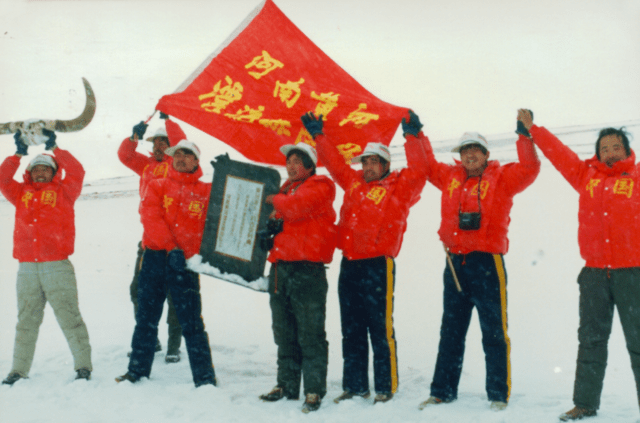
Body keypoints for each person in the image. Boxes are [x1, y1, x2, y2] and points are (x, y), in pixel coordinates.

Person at [409, 110, 540, 411]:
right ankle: (441, 391)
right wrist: (416, 135)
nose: (469, 155)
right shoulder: (449, 177)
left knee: (493, 330)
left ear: (485, 154)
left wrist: (524, 134)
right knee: (451, 331)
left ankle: (497, 394)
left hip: (487, 264)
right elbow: (427, 165)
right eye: (464, 150)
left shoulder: (503, 178)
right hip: (455, 264)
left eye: (475, 150)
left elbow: (530, 168)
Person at [518, 109, 640, 421]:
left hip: (633, 274)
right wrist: (534, 130)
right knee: (590, 341)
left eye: (616, 146)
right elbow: (559, 154)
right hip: (595, 275)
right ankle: (585, 403)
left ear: (627, 150)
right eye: (604, 148)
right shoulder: (587, 176)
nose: (610, 152)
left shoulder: (637, 178)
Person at [300, 111, 429, 404]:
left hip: (378, 265)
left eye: (374, 162)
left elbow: (420, 169)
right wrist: (318, 135)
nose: (368, 167)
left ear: (385, 165)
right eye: (366, 162)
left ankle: (385, 386)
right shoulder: (354, 183)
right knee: (352, 327)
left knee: (379, 328)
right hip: (350, 264)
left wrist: (412, 135)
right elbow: (334, 163)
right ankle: (355, 385)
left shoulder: (401, 187)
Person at [115, 138, 216, 387]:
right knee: (146, 318)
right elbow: (150, 217)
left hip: (186, 264)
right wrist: (171, 248)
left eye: (187, 154)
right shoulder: (157, 185)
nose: (180, 158)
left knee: (192, 322)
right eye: (177, 154)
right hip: (155, 258)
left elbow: (222, 219)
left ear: (196, 161)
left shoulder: (206, 191)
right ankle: (136, 371)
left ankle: (205, 379)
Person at [0, 129, 92, 384]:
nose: (41, 171)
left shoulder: (65, 192)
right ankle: (18, 370)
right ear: (29, 173)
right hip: (27, 268)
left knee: (70, 318)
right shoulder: (20, 194)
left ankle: (83, 367)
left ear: (54, 172)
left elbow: (77, 171)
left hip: (57, 266)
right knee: (26, 321)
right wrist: (18, 153)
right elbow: (3, 177)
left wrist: (56, 148)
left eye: (46, 168)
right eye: (36, 168)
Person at [258, 143, 337, 413]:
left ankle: (314, 389)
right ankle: (286, 385)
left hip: (307, 271)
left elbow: (297, 208)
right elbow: (284, 218)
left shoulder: (321, 186)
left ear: (311, 165)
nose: (291, 166)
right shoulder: (285, 190)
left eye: (297, 161)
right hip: (281, 270)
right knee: (283, 331)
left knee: (310, 333)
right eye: (289, 161)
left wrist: (272, 200)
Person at [117, 116, 185, 363]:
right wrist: (132, 138)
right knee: (139, 291)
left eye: (164, 142)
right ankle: (151, 340)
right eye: (155, 142)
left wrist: (168, 122)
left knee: (175, 295)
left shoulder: (178, 163)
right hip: (149, 241)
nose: (158, 146)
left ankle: (174, 346)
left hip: (177, 242)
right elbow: (125, 156)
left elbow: (182, 141)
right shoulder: (145, 165)